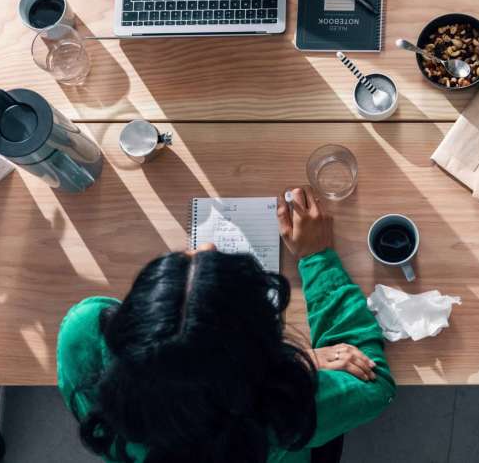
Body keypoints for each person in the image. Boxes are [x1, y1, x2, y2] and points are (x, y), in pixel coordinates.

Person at [56, 186, 395, 462]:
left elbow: (181, 355)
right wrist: (316, 257)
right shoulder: (287, 406)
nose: (206, 245)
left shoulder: (85, 331)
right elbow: (375, 386)